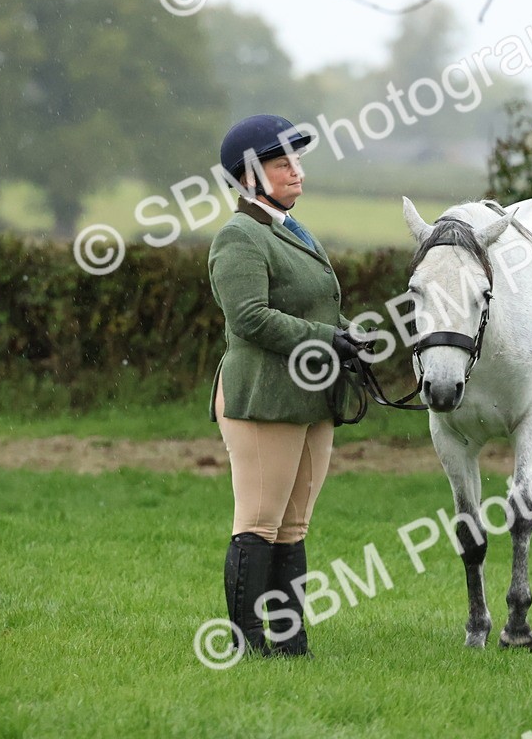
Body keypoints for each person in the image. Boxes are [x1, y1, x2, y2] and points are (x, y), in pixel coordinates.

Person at [208, 114, 366, 658]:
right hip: (262, 399)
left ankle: (290, 641)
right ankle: (248, 643)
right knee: (258, 520)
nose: (297, 172)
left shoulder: (289, 229)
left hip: (310, 397)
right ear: (250, 177)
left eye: (295, 162)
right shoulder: (239, 236)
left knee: (294, 523)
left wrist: (345, 339)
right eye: (283, 164)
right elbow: (250, 317)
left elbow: (309, 304)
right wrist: (326, 338)